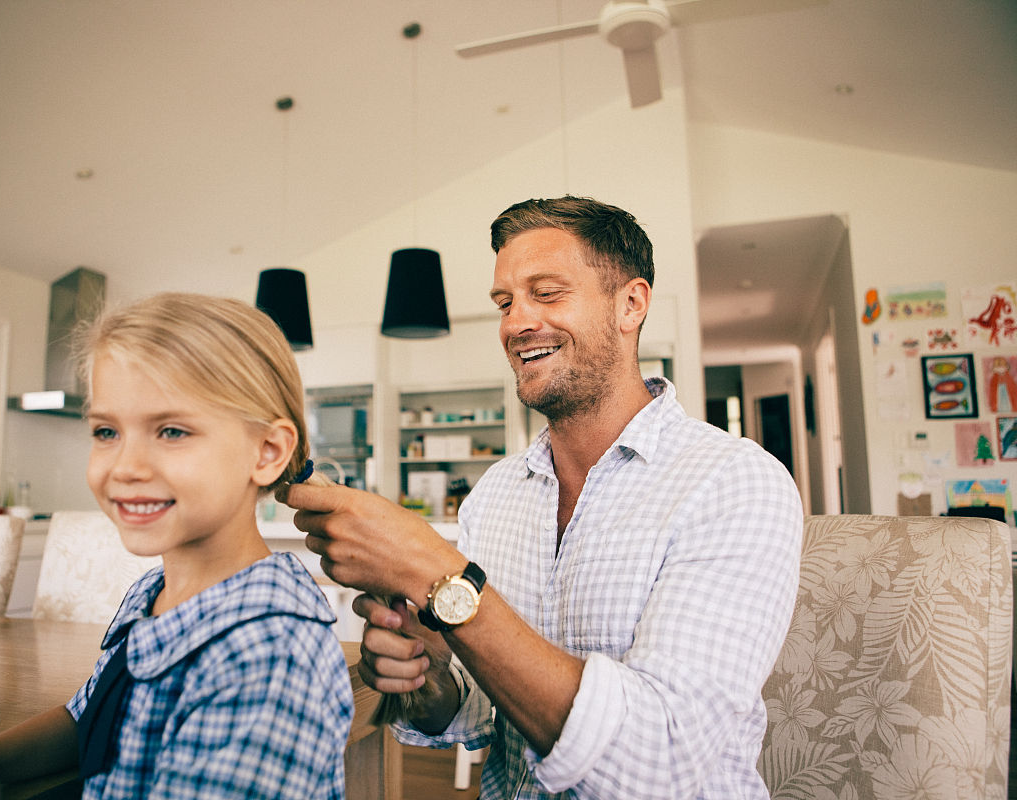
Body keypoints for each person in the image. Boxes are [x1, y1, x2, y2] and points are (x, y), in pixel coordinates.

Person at [278, 196, 804, 799]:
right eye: (505, 303)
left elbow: (660, 761)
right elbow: (482, 708)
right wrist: (430, 681)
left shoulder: (735, 482)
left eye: (547, 294)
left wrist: (438, 573)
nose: (515, 324)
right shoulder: (496, 494)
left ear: (631, 304)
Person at [0, 294, 354, 800]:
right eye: (107, 431)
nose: (126, 466)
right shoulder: (153, 591)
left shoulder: (268, 659)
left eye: (172, 431)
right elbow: (92, 717)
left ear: (266, 452)